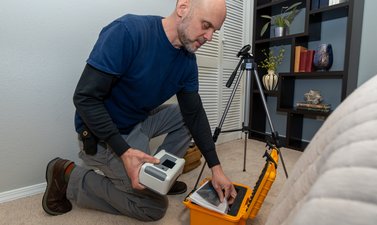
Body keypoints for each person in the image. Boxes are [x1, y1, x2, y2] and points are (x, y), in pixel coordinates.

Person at [42, 0, 237, 221]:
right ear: (183, 7)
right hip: (103, 136)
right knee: (152, 208)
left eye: (214, 30)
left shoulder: (187, 62)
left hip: (137, 121)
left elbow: (194, 114)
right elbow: (85, 98)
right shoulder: (128, 32)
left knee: (186, 114)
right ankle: (68, 175)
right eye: (206, 25)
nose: (209, 37)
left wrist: (216, 168)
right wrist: (124, 151)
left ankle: (160, 176)